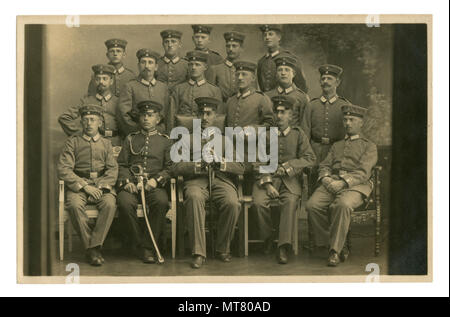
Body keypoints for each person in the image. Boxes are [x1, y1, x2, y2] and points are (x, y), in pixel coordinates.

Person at [171, 97, 244, 269]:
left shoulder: (225, 140)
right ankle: (198, 252)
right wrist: (197, 165)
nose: (204, 118)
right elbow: (176, 166)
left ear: (215, 116)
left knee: (232, 203)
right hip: (197, 181)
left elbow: (240, 167)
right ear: (196, 116)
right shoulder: (187, 139)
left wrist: (221, 163)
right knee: (194, 197)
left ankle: (223, 248)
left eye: (209, 114)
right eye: (201, 113)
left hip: (221, 180)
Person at [305, 104, 378, 267]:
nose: (348, 123)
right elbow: (325, 165)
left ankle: (334, 252)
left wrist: (344, 182)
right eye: (345, 120)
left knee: (342, 205)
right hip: (332, 182)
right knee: (311, 205)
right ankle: (337, 242)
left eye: (352, 120)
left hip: (356, 186)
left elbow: (363, 172)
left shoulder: (369, 146)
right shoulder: (336, 145)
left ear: (361, 123)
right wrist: (325, 179)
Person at [252, 95, 315, 264]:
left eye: (283, 112)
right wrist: (268, 184)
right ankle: (268, 238)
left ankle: (283, 246)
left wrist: (288, 167)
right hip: (267, 178)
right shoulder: (265, 135)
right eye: (276, 112)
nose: (279, 116)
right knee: (258, 203)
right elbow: (257, 162)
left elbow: (309, 158)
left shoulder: (298, 134)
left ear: (291, 115)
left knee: (289, 202)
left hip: (290, 181)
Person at [57, 104, 118, 266]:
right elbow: (64, 168)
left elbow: (113, 168)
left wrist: (102, 185)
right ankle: (92, 249)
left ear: (100, 122)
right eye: (85, 120)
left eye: (92, 120)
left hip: (101, 185)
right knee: (75, 205)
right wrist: (84, 186)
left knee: (110, 204)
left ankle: (94, 245)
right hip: (79, 184)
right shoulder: (73, 142)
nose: (89, 123)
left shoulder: (106, 143)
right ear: (81, 123)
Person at [116, 100, 173, 264]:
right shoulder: (130, 139)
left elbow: (170, 167)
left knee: (161, 202)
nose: (146, 118)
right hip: (133, 184)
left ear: (158, 119)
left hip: (154, 184)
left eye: (150, 115)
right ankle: (139, 243)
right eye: (143, 115)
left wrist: (156, 180)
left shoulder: (165, 140)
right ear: (139, 118)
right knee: (125, 203)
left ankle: (148, 246)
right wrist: (127, 181)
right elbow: (121, 164)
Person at [59, 64, 122, 146]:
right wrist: (82, 134)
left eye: (104, 79)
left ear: (111, 81)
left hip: (116, 143)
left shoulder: (119, 101)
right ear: (94, 81)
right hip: (93, 144)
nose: (101, 82)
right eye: (98, 79)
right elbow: (64, 118)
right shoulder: (86, 101)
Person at [301, 64, 351, 164]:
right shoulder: (311, 105)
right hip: (314, 152)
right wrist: (306, 155)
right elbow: (305, 133)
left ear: (337, 82)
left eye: (329, 79)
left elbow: (350, 133)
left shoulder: (346, 106)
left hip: (337, 152)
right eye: (323, 79)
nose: (325, 82)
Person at [118, 48, 170, 136]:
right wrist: (138, 132)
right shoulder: (130, 87)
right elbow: (123, 115)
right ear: (138, 65)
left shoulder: (163, 87)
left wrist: (159, 131)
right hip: (136, 134)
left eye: (150, 62)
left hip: (159, 135)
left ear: (156, 67)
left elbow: (166, 114)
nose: (146, 66)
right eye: (143, 62)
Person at [168, 50, 222, 132]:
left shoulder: (214, 90)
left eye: (197, 65)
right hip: (182, 133)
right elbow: (171, 116)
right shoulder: (179, 89)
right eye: (190, 64)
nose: (193, 67)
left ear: (205, 67)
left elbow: (217, 118)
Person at [257, 24, 307, 93]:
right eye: (265, 35)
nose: (267, 37)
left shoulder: (290, 58)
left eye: (270, 34)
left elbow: (302, 87)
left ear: (279, 37)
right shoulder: (261, 62)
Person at [224, 61, 274, 129]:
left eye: (244, 74)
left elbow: (270, 124)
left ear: (253, 78)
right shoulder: (231, 100)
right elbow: (226, 126)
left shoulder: (262, 99)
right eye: (237, 74)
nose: (240, 78)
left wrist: (255, 129)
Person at [266, 54, 309, 127]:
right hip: (271, 137)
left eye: (287, 70)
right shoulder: (267, 96)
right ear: (276, 74)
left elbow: (304, 126)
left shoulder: (302, 97)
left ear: (294, 74)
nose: (283, 73)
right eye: (280, 70)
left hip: (292, 137)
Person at [209, 31, 245, 102]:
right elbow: (211, 93)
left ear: (241, 48)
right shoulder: (215, 69)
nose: (231, 49)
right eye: (228, 46)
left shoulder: (247, 69)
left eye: (234, 46)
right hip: (221, 107)